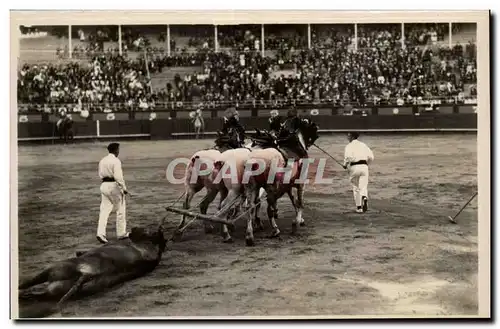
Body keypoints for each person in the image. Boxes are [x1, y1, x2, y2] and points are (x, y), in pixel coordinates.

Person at [97, 143, 129, 244]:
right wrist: (124, 188)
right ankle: (121, 233)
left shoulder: (102, 160)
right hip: (113, 186)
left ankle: (100, 233)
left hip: (104, 185)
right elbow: (118, 177)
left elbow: (100, 174)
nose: (119, 152)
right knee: (120, 209)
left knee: (104, 211)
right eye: (118, 150)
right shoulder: (116, 161)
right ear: (115, 150)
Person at [342, 132, 374, 213]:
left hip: (354, 167)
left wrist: (345, 165)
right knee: (363, 186)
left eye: (348, 136)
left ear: (352, 137)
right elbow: (371, 157)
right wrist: (366, 164)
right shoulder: (363, 145)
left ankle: (359, 207)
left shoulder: (349, 146)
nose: (347, 137)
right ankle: (364, 197)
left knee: (356, 187)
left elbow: (348, 157)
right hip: (364, 167)